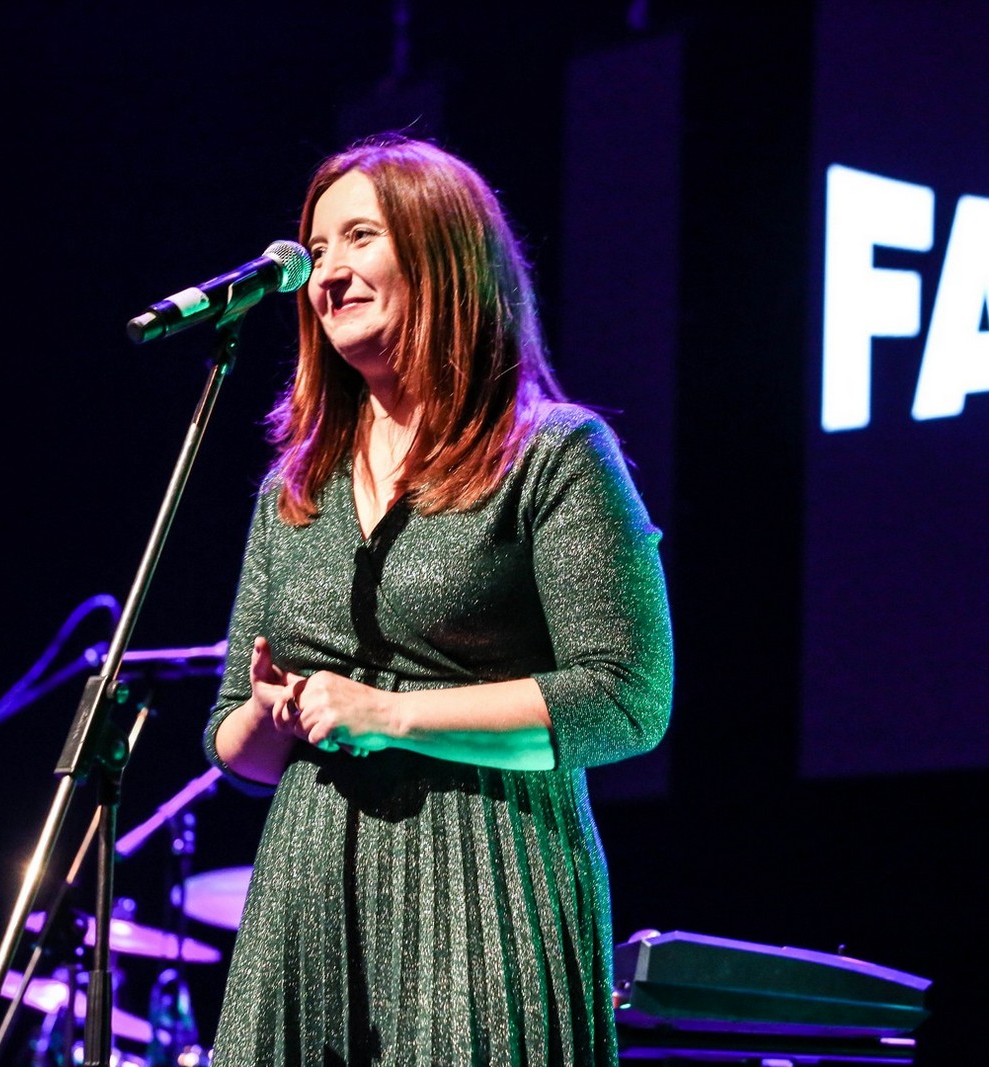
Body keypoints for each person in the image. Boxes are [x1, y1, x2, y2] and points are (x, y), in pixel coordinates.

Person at [203, 134, 673, 1065]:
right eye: (317, 249)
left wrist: (387, 714)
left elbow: (626, 698)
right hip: (306, 890)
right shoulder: (293, 489)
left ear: (442, 255)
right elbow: (230, 738)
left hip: (488, 882)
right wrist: (271, 711)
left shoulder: (555, 455)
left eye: (358, 238)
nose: (327, 273)